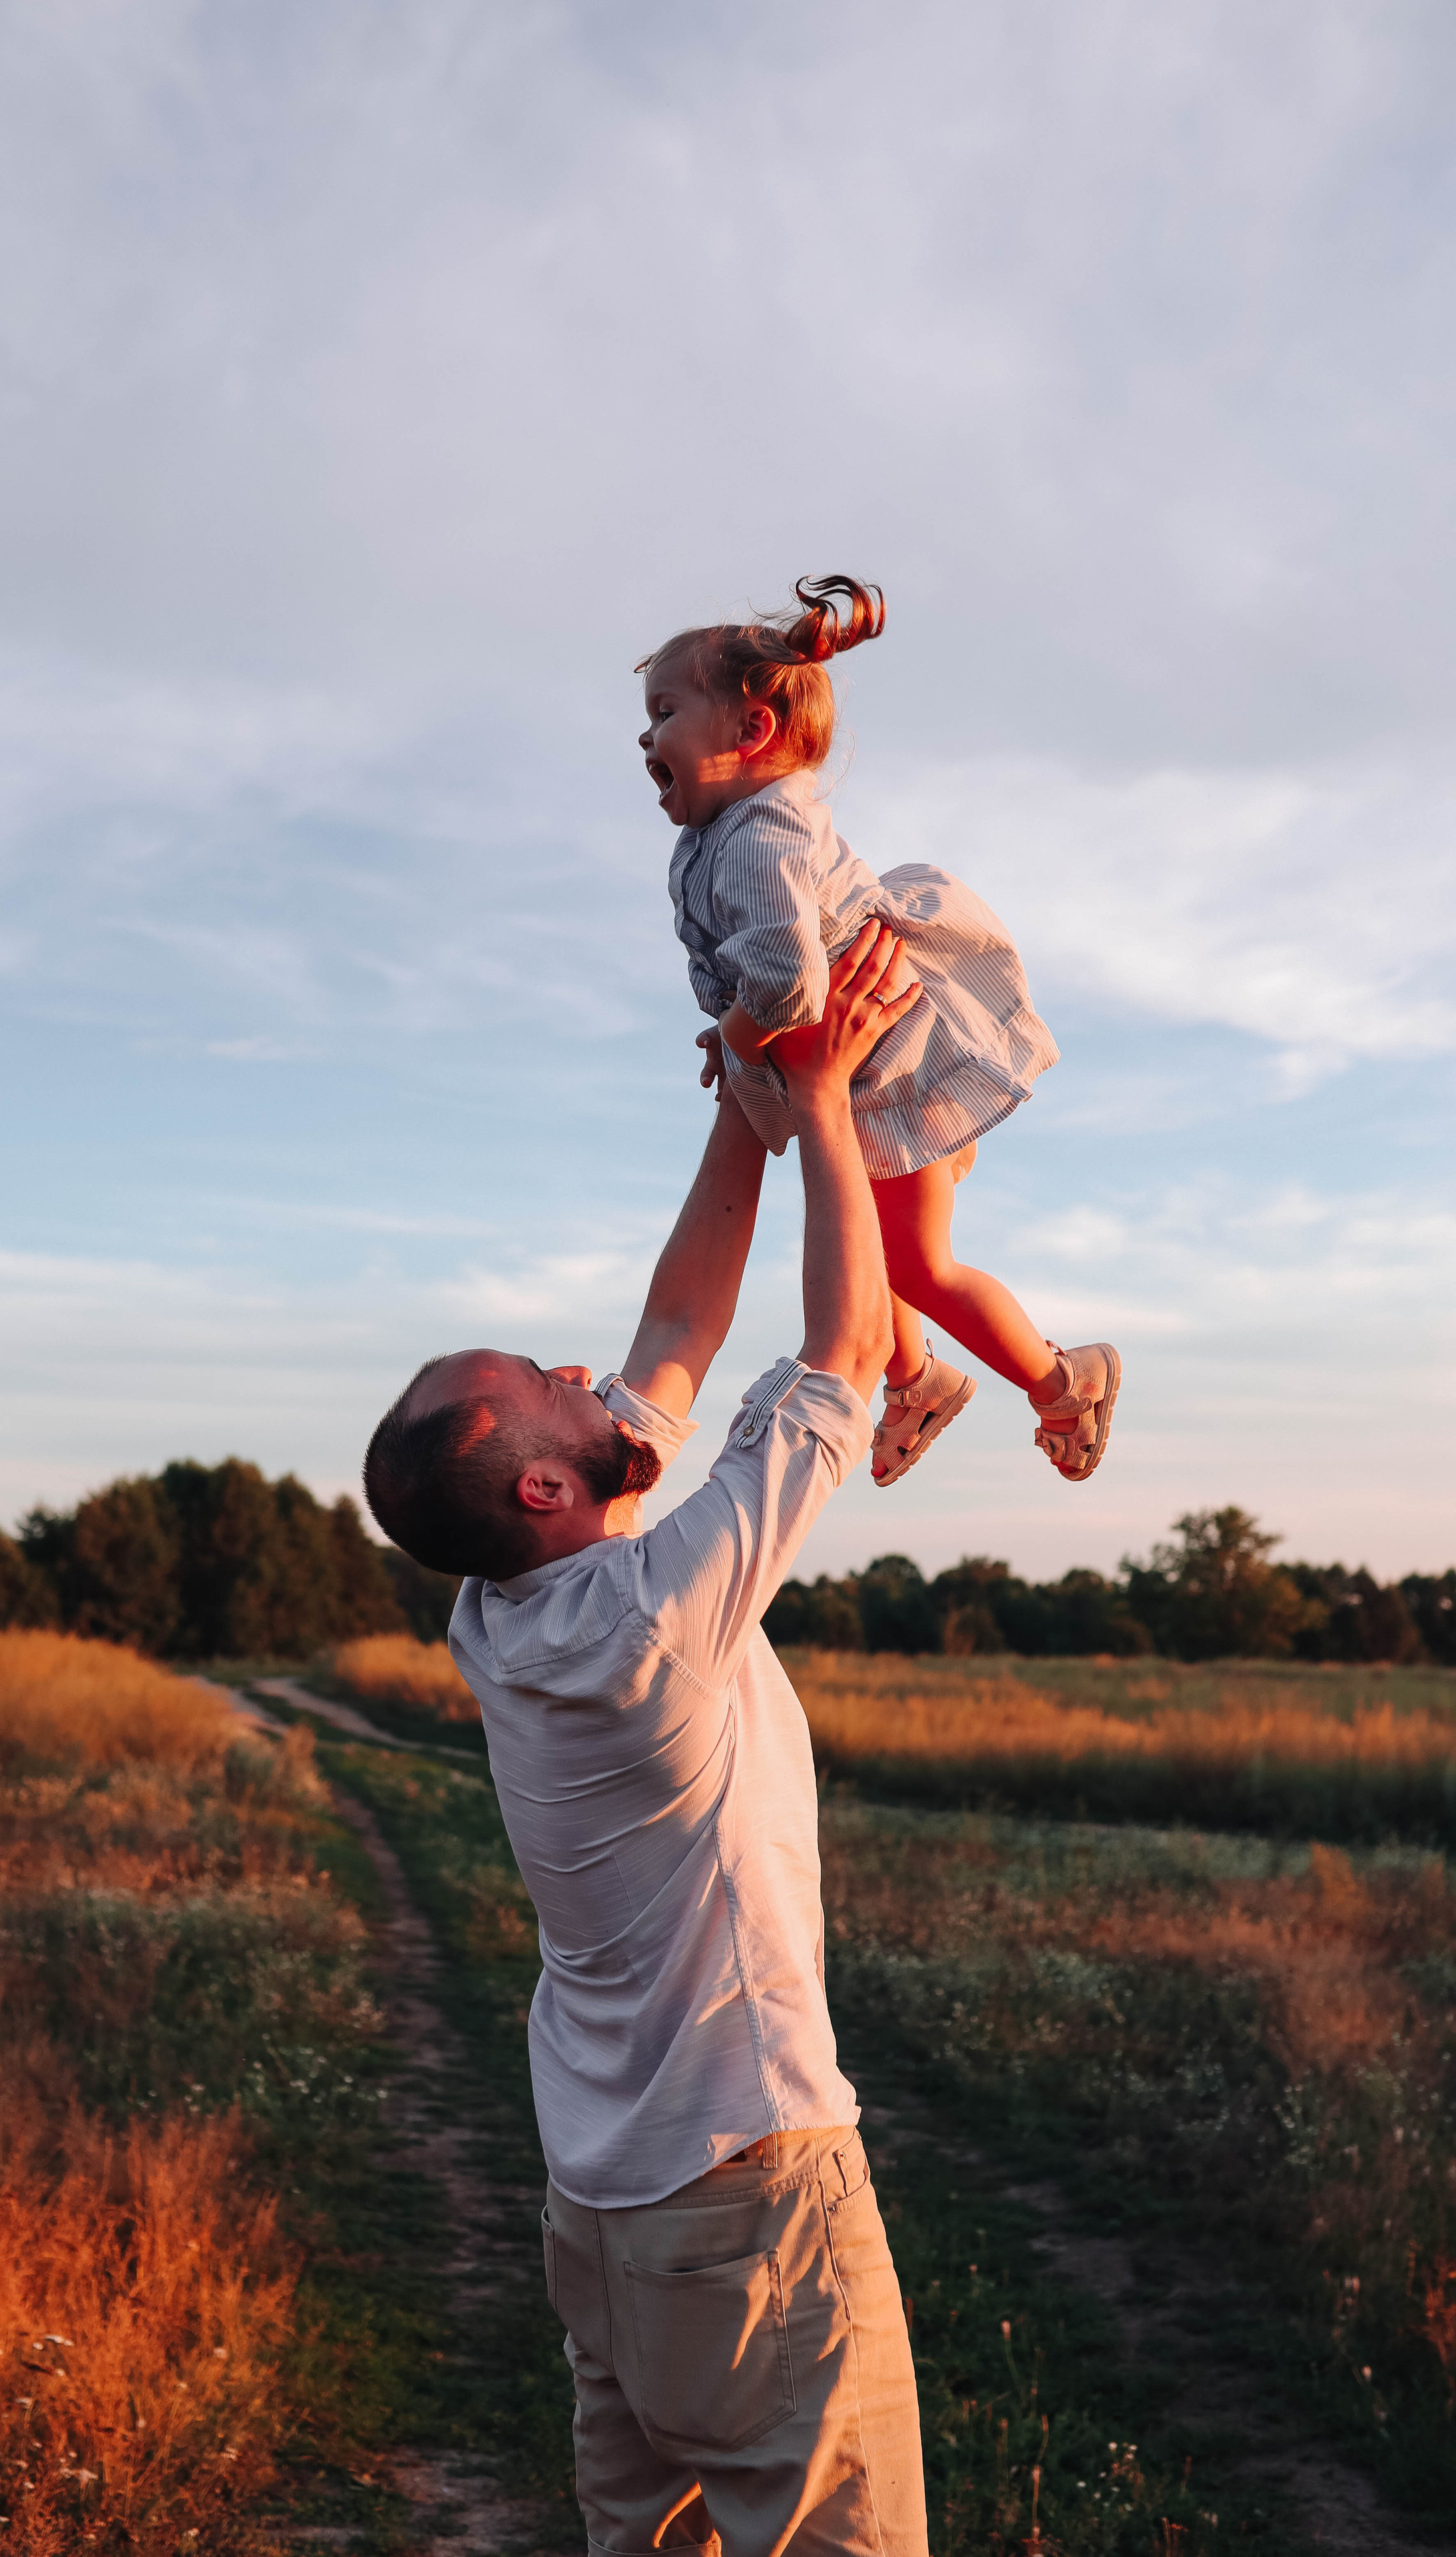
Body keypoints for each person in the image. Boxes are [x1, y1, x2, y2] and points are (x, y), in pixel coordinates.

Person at [364, 924, 929, 2557]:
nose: (572, 1366)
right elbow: (837, 1354)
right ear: (547, 1486)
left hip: (604, 2210)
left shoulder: (509, 1611)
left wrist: (740, 1104)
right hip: (747, 2194)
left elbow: (677, 1323)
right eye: (539, 1384)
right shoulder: (644, 1618)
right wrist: (820, 1106)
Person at [640, 573, 1120, 1489]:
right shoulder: (726, 831)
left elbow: (784, 977)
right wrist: (731, 1031)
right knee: (863, 1239)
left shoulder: (758, 835)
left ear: (752, 732)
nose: (645, 736)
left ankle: (1064, 1378)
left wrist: (742, 1037)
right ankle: (919, 1378)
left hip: (902, 1065)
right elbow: (763, 970)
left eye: (665, 711)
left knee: (915, 1262)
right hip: (856, 1068)